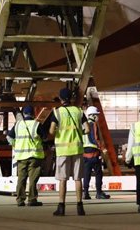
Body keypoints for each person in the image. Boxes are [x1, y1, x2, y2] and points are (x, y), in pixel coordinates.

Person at [48, 87, 89, 216]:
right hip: (77, 149)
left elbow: (51, 131)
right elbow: (87, 129)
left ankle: (61, 207)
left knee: (62, 179)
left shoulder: (57, 112)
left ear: (60, 98)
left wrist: (59, 133)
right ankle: (80, 207)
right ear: (71, 98)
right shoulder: (79, 111)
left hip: (63, 150)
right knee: (78, 179)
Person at [6, 105, 44, 206]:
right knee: (33, 179)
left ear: (23, 114)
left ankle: (20, 200)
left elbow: (9, 137)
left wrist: (15, 145)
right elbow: (44, 137)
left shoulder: (18, 125)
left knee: (21, 178)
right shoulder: (37, 125)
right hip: (34, 156)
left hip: (21, 156)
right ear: (34, 114)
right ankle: (32, 199)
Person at [82, 106, 110, 200]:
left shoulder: (83, 124)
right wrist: (102, 148)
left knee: (87, 173)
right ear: (93, 116)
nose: (98, 117)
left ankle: (85, 193)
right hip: (94, 152)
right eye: (97, 115)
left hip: (85, 152)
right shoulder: (92, 124)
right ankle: (99, 192)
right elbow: (94, 138)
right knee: (98, 173)